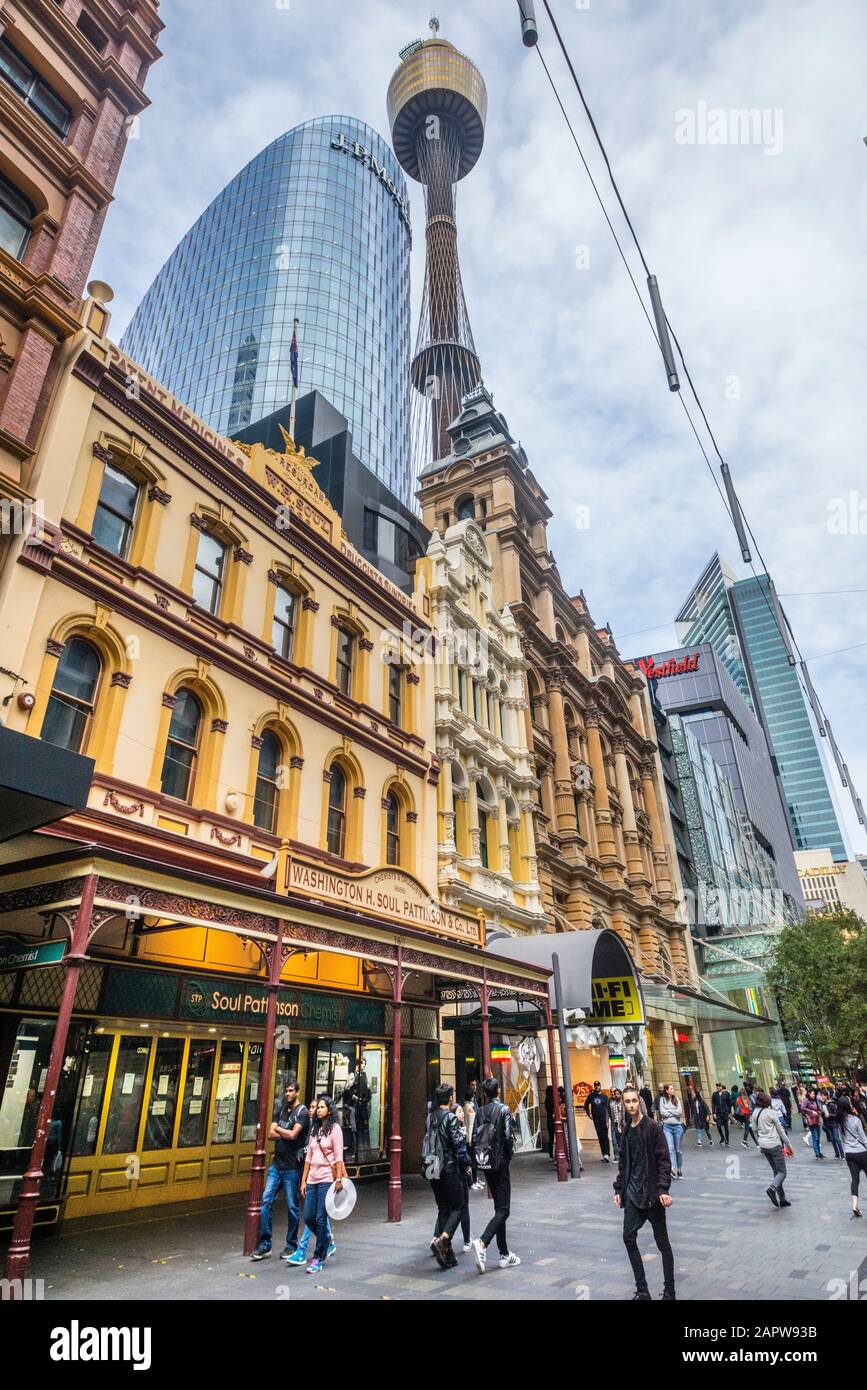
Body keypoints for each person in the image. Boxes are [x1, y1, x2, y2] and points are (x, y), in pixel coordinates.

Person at [613, 1084, 675, 1301]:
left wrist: (663, 1189)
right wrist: (619, 1188)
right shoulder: (627, 1130)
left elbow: (663, 1160)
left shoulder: (652, 1128)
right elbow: (624, 1162)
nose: (631, 1105)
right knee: (628, 1237)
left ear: (639, 1102)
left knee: (663, 1244)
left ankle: (670, 1292)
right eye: (627, 1102)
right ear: (623, 1104)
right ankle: (642, 1290)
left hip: (652, 1196)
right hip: (633, 1195)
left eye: (633, 1101)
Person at [251, 1080, 309, 1261]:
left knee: (292, 1207)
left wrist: (281, 1130)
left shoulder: (303, 1112)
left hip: (292, 1167)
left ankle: (291, 1245)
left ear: (298, 1092)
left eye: (291, 1091)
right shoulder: (281, 1109)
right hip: (277, 1165)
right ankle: (265, 1244)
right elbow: (270, 1134)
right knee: (266, 1201)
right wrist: (287, 1131)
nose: (288, 1094)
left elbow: (294, 1135)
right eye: (286, 1091)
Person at [470, 1077, 519, 1273]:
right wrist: (508, 1156)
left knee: (499, 1207)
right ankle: (482, 1243)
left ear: (485, 1093)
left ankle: (504, 1253)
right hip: (500, 1163)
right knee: (504, 1210)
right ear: (498, 1091)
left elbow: (474, 1137)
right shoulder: (504, 1110)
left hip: (486, 1161)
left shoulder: (480, 1111)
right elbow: (507, 1137)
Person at [299, 1095, 346, 1275]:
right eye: (317, 1107)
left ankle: (318, 1256)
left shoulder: (335, 1129)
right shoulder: (314, 1129)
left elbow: (339, 1156)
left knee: (320, 1218)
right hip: (312, 1178)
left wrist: (339, 1179)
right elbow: (308, 1158)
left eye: (321, 1107)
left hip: (327, 1178)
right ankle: (327, 1241)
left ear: (329, 1110)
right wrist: (303, 1180)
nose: (318, 1110)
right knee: (309, 1217)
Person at [427, 1083, 471, 1269]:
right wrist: (467, 1161)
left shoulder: (431, 1118)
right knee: (459, 1206)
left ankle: (447, 1255)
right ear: (450, 1098)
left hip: (432, 1166)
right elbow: (457, 1144)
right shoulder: (450, 1118)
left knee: (443, 1208)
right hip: (449, 1167)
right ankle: (443, 1240)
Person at [753, 1090, 792, 1209]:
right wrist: (789, 1146)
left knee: (776, 1172)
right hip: (774, 1145)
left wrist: (760, 1139)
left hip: (763, 1146)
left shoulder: (755, 1112)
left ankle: (782, 1198)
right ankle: (772, 1188)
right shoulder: (771, 1113)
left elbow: (754, 1129)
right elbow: (781, 1132)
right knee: (782, 1172)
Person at [837, 1096, 867, 1218]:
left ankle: (855, 1206)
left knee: (855, 1180)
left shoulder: (840, 1122)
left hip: (849, 1154)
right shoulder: (855, 1120)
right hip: (861, 1153)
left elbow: (841, 1139)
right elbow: (864, 1139)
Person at [659, 1083, 685, 1178]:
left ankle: (679, 1169)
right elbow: (662, 1113)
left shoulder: (677, 1100)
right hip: (667, 1127)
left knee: (678, 1149)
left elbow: (679, 1112)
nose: (673, 1090)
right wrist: (673, 1113)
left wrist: (669, 1112)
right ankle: (672, 1169)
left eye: (673, 1089)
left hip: (677, 1127)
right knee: (670, 1149)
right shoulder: (663, 1100)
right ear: (667, 1091)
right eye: (671, 1089)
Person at [584, 1080, 612, 1163]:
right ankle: (604, 1154)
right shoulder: (591, 1096)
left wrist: (608, 1120)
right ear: (594, 1086)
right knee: (600, 1137)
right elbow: (586, 1105)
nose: (597, 1087)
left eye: (598, 1085)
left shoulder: (605, 1097)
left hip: (604, 1119)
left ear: (600, 1086)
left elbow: (608, 1109)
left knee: (605, 1136)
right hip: (596, 1120)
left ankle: (607, 1154)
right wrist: (589, 1114)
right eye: (595, 1085)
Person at [820, 1089, 844, 1159]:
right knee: (833, 1140)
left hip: (834, 1124)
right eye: (821, 1096)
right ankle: (837, 1154)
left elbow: (836, 1114)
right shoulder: (823, 1104)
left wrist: (829, 1115)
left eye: (823, 1096)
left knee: (837, 1139)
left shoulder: (831, 1103)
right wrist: (822, 1114)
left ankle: (842, 1154)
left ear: (827, 1096)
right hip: (827, 1124)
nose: (822, 1097)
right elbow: (824, 1115)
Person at [801, 1088, 824, 1159]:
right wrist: (811, 1112)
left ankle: (819, 1153)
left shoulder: (813, 1100)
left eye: (814, 1094)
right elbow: (802, 1108)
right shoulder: (806, 1100)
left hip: (817, 1120)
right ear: (809, 1093)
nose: (814, 1095)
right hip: (811, 1121)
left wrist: (818, 1112)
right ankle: (817, 1154)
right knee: (815, 1137)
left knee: (818, 1137)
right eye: (813, 1094)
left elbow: (816, 1109)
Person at [609, 1088, 626, 1161]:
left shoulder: (624, 1103)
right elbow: (612, 1115)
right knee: (616, 1140)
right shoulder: (612, 1104)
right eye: (615, 1094)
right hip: (615, 1124)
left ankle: (626, 1155)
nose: (616, 1095)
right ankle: (619, 1156)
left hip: (623, 1124)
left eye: (618, 1094)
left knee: (624, 1140)